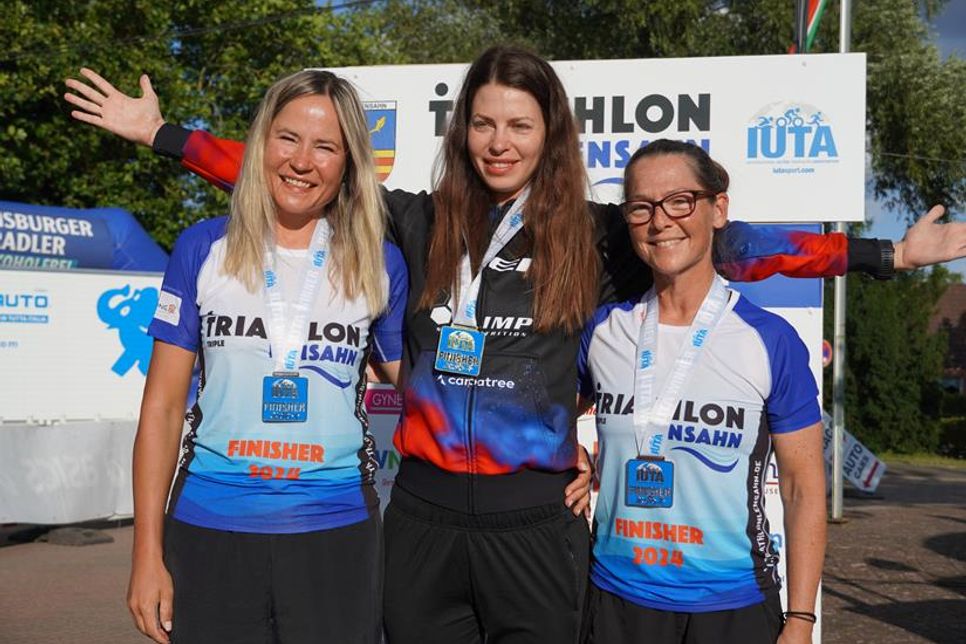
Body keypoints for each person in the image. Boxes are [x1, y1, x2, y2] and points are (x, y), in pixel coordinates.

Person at [65, 44, 959, 644]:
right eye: (484, 124)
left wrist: (886, 252)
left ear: (550, 134)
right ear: (466, 133)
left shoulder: (600, 234)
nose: (499, 142)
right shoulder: (416, 220)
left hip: (532, 523)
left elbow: (740, 246)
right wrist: (163, 135)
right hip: (417, 518)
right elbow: (296, 170)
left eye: (520, 125)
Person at [126, 69, 408, 644]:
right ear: (260, 142)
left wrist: (550, 447)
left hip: (337, 534)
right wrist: (145, 554)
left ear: (349, 161)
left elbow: (427, 399)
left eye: (325, 146)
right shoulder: (203, 247)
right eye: (287, 138)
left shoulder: (379, 263)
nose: (302, 161)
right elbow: (160, 410)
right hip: (208, 530)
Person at [577, 140, 825, 644]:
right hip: (616, 600)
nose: (660, 220)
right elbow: (547, 414)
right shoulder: (603, 330)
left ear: (718, 209)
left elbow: (802, 488)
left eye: (680, 200)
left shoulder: (769, 340)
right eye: (641, 206)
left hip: (733, 604)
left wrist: (801, 619)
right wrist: (567, 452)